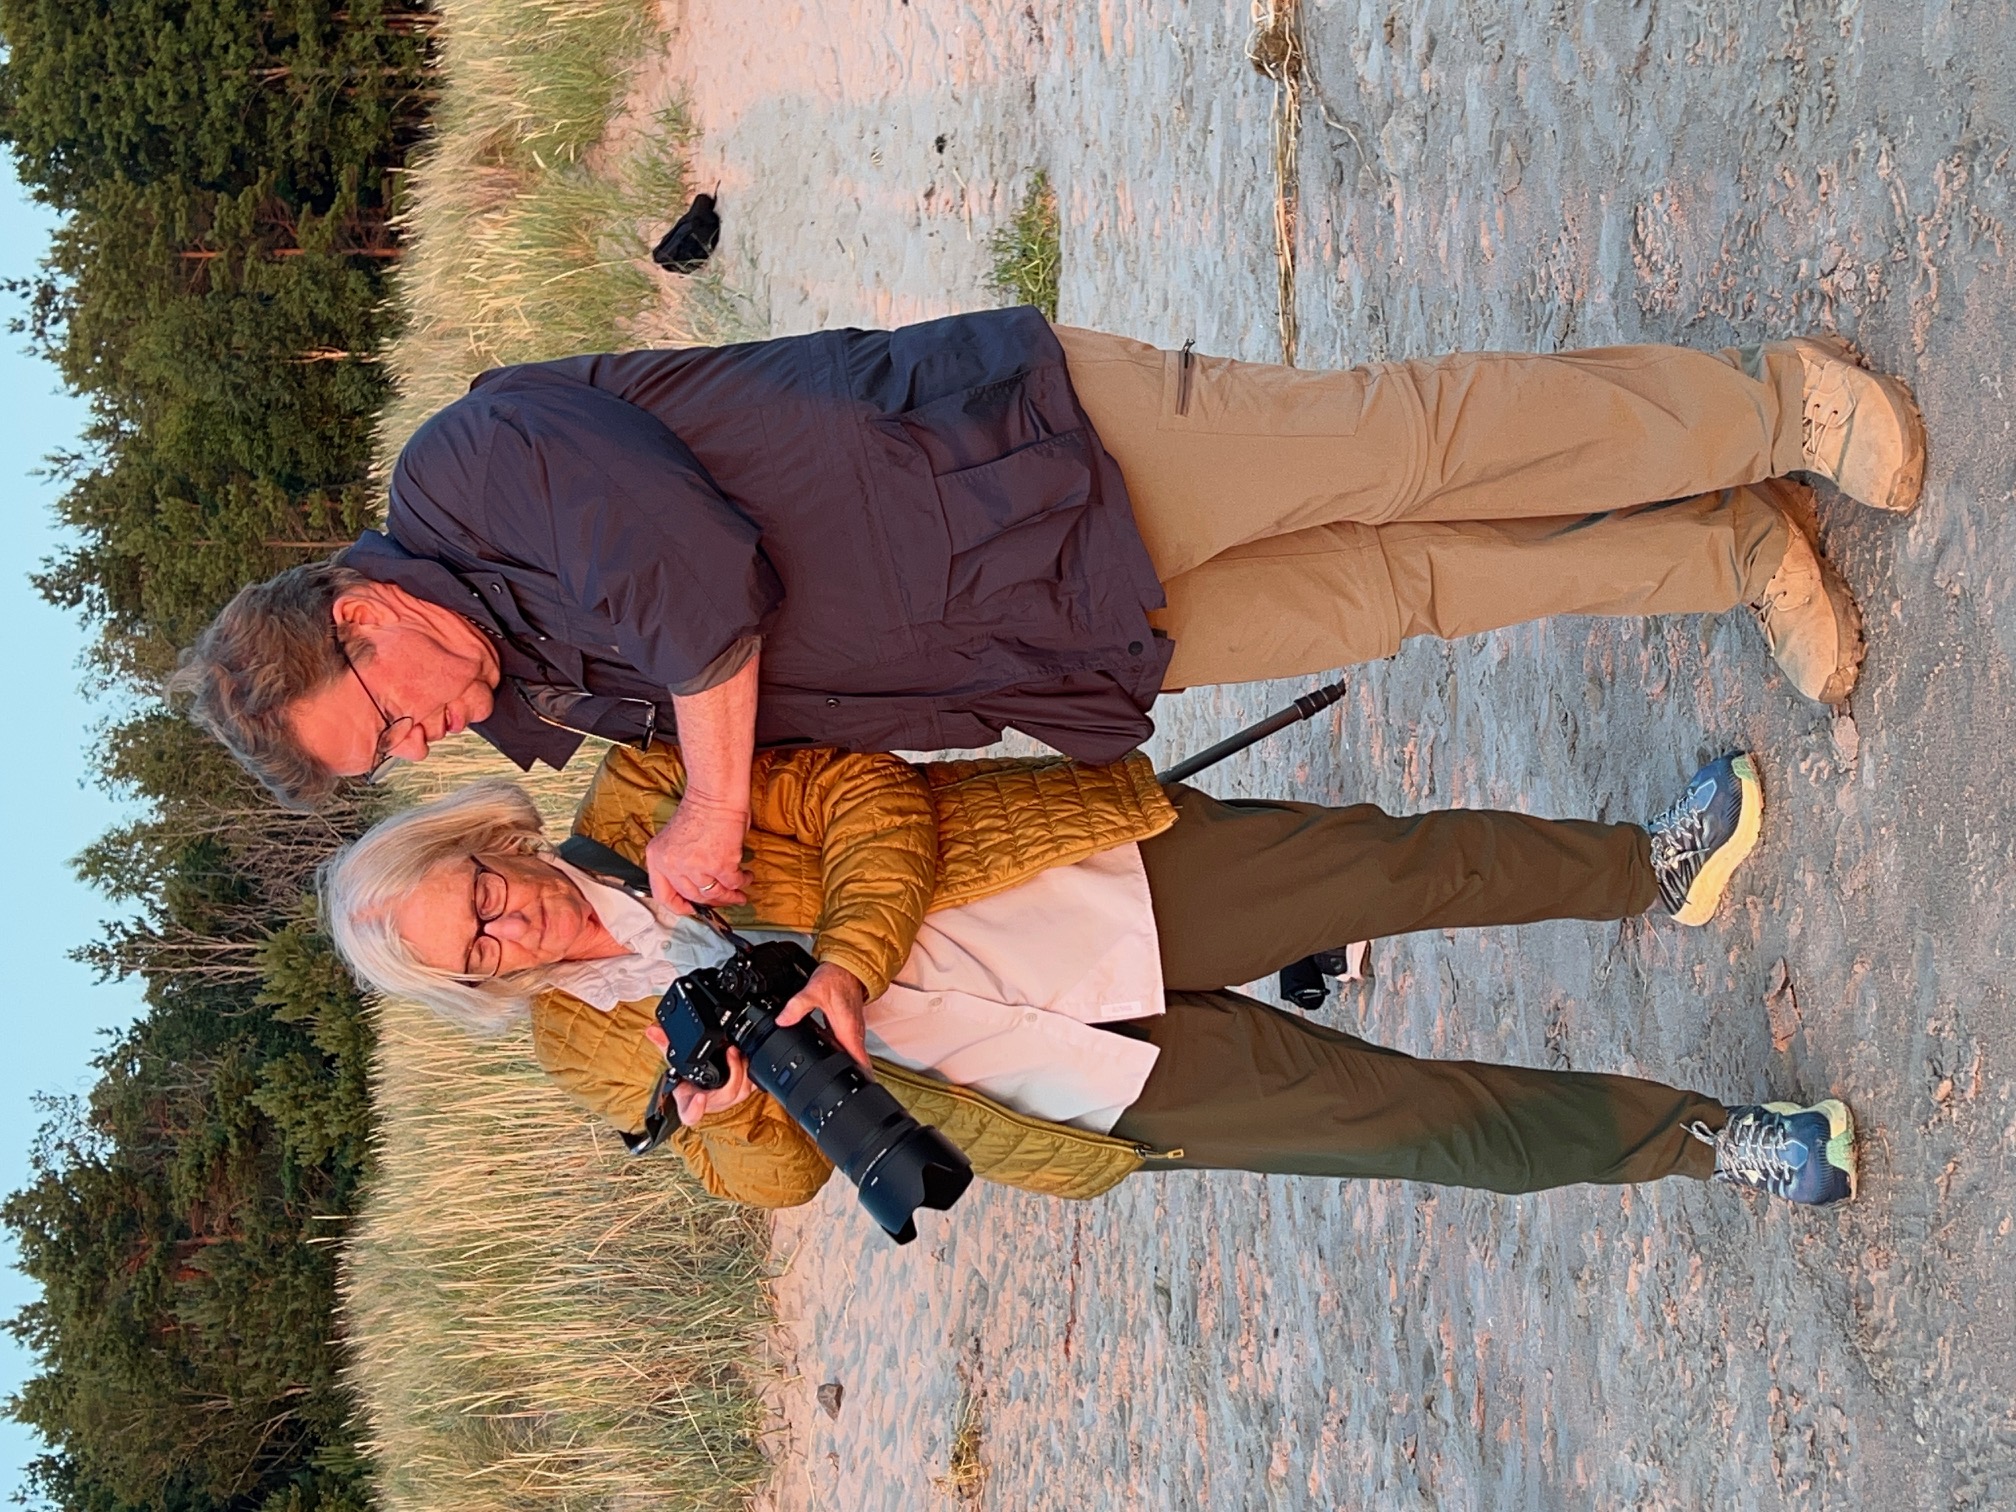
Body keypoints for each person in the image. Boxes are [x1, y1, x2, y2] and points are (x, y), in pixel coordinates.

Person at [183, 309, 1925, 916]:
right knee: (1402, 591)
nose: (427, 734)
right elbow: (743, 773)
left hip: (1026, 454)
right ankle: (1737, 552)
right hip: (1029, 638)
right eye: (399, 756)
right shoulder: (521, 700)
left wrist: (710, 797)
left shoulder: (470, 464)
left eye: (389, 711)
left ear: (358, 607)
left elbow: (698, 589)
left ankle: (1779, 407)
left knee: (1407, 443)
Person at [319, 741, 1857, 1211]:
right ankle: (1702, 1138)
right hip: (1059, 1080)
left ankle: (1646, 870)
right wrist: (726, 1115)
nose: (505, 933)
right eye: (473, 957)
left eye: (477, 897)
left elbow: (864, 797)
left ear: (489, 838)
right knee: (1408, 1128)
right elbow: (780, 1191)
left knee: (1397, 868)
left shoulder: (649, 792)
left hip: (1085, 885)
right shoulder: (586, 1058)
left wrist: (846, 958)